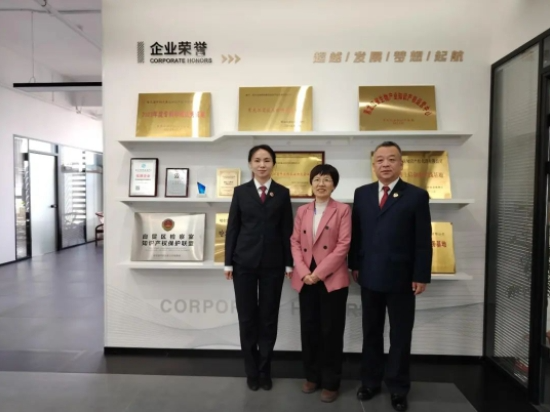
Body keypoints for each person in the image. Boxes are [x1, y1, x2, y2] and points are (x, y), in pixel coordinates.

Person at [349, 141, 432, 412]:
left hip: (402, 277)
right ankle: (370, 382)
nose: (385, 164)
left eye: (391, 159)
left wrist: (421, 274)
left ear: (401, 164)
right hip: (369, 274)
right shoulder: (362, 194)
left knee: (400, 335)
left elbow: (423, 239)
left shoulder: (416, 196)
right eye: (380, 160)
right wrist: (354, 264)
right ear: (373, 165)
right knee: (371, 332)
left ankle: (398, 387)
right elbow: (357, 233)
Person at [224, 144, 293, 392]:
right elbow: (233, 228)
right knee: (247, 318)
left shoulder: (282, 193)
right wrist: (228, 262)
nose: (262, 165)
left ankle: (265, 370)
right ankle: (251, 371)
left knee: (268, 318)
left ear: (273, 164)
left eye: (266, 160)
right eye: (257, 160)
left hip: (273, 264)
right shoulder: (240, 192)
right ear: (250, 164)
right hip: (243, 263)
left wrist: (289, 263)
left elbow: (287, 230)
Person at [290, 164, 351, 403]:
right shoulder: (302, 210)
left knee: (331, 331)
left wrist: (319, 273)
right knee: (309, 329)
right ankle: (312, 376)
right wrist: (304, 272)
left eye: (326, 180)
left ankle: (331, 382)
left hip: (331, 278)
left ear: (334, 184)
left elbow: (344, 245)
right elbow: (295, 242)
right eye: (317, 179)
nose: (321, 184)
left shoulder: (343, 210)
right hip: (306, 278)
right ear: (311, 183)